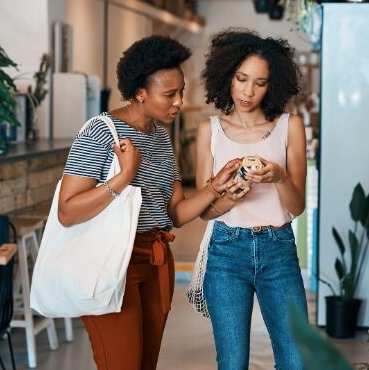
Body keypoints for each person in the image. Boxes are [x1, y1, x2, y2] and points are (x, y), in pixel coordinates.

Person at [58, 35, 241, 370]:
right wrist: (123, 177)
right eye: (169, 94)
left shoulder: (159, 137)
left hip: (156, 260)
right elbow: (68, 212)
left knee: (145, 364)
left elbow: (175, 214)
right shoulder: (99, 133)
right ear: (140, 92)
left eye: (181, 91)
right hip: (111, 262)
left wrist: (217, 188)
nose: (179, 102)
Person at [196, 29, 308, 370]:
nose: (248, 91)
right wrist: (228, 196)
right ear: (227, 75)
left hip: (279, 249)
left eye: (259, 82)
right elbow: (205, 211)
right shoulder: (209, 130)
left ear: (272, 85)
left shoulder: (291, 125)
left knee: (295, 359)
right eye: (241, 78)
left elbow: (297, 205)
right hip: (227, 251)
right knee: (232, 363)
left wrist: (279, 177)